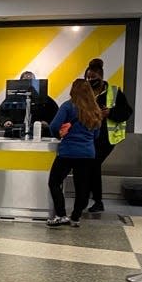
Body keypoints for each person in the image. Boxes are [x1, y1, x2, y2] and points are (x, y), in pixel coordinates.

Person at [46, 78, 103, 227]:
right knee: (82, 187)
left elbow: (54, 126)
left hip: (68, 152)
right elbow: (97, 134)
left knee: (54, 182)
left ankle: (61, 215)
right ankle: (76, 218)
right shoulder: (95, 110)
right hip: (87, 154)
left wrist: (59, 135)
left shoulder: (68, 106)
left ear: (73, 90)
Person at [83, 58, 133, 212]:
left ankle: (95, 200)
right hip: (87, 136)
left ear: (101, 77)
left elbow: (127, 112)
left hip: (106, 138)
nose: (90, 80)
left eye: (93, 78)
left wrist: (110, 113)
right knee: (89, 166)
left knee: (93, 164)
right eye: (88, 78)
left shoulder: (114, 92)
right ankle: (92, 200)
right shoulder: (84, 92)